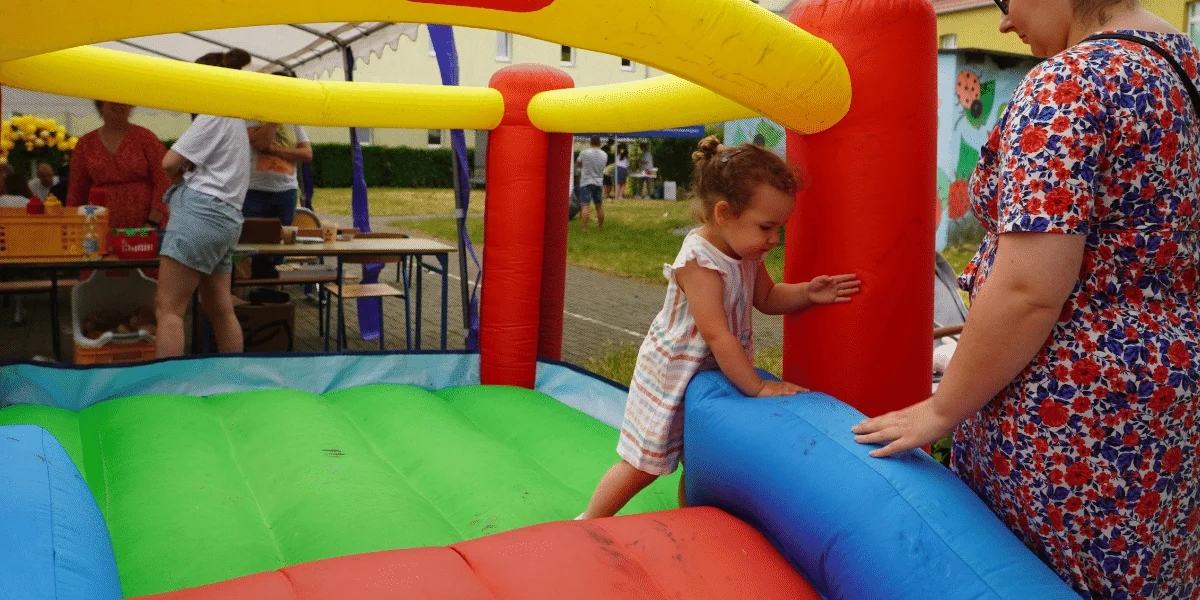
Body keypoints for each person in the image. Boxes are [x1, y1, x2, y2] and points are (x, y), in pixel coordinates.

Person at [851, 1, 1199, 597]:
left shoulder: (1072, 82)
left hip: (1073, 417)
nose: (1007, 22)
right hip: (1168, 405)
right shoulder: (1186, 70)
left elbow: (1028, 289)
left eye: (1009, 1)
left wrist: (941, 408)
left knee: (1017, 578)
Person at [577, 136, 861, 520]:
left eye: (780, 228)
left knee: (699, 458)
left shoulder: (744, 249)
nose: (773, 240)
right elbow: (716, 334)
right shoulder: (699, 260)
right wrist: (757, 387)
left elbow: (768, 298)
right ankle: (589, 521)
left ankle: (689, 522)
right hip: (674, 373)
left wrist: (809, 293)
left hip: (716, 371)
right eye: (766, 227)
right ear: (724, 213)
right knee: (644, 463)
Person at [154, 55, 253, 358]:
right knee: (220, 307)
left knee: (169, 308)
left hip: (200, 215)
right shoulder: (236, 118)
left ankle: (169, 392)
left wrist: (179, 170)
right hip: (227, 219)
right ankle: (231, 379)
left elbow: (168, 162)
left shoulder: (213, 114)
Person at [244, 71, 313, 276]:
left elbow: (307, 154)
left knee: (279, 247)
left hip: (285, 192)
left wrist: (276, 151)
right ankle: (252, 292)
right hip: (254, 191)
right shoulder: (253, 115)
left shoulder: (294, 120)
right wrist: (274, 119)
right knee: (252, 246)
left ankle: (274, 290)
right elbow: (259, 143)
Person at [66, 101, 172, 229]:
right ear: (100, 104)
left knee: (144, 248)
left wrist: (153, 221)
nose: (119, 104)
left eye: (124, 100)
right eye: (112, 99)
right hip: (99, 229)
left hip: (146, 228)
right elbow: (76, 192)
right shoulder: (85, 143)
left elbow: (165, 179)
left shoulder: (146, 138)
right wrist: (73, 226)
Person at [575, 136, 608, 231]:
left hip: (586, 182)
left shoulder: (584, 153)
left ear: (590, 142)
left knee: (585, 206)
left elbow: (578, 164)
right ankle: (600, 228)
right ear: (599, 143)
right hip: (598, 182)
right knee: (599, 206)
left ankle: (584, 228)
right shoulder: (604, 154)